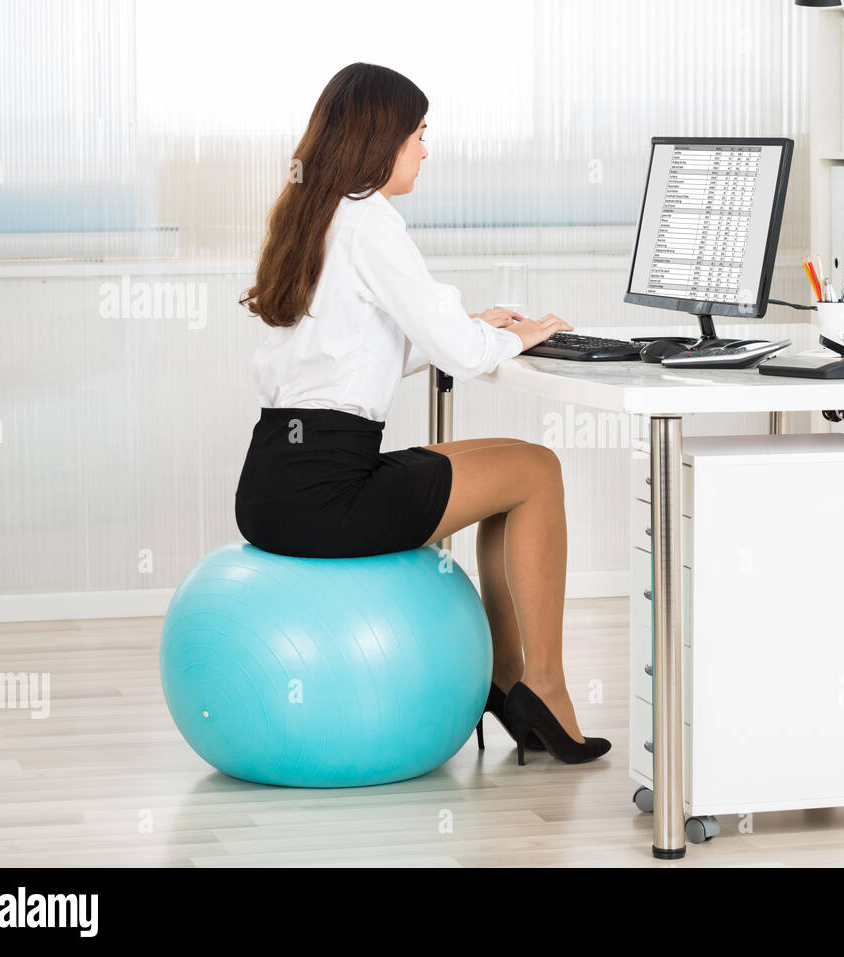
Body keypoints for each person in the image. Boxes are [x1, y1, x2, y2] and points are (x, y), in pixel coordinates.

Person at [236, 63, 609, 766]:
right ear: (384, 141)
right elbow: (458, 353)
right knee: (538, 469)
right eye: (419, 134)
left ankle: (507, 678)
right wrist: (515, 334)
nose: (425, 150)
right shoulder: (370, 220)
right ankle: (543, 686)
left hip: (274, 482)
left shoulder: (313, 211)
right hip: (327, 496)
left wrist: (469, 325)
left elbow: (346, 354)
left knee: (514, 465)